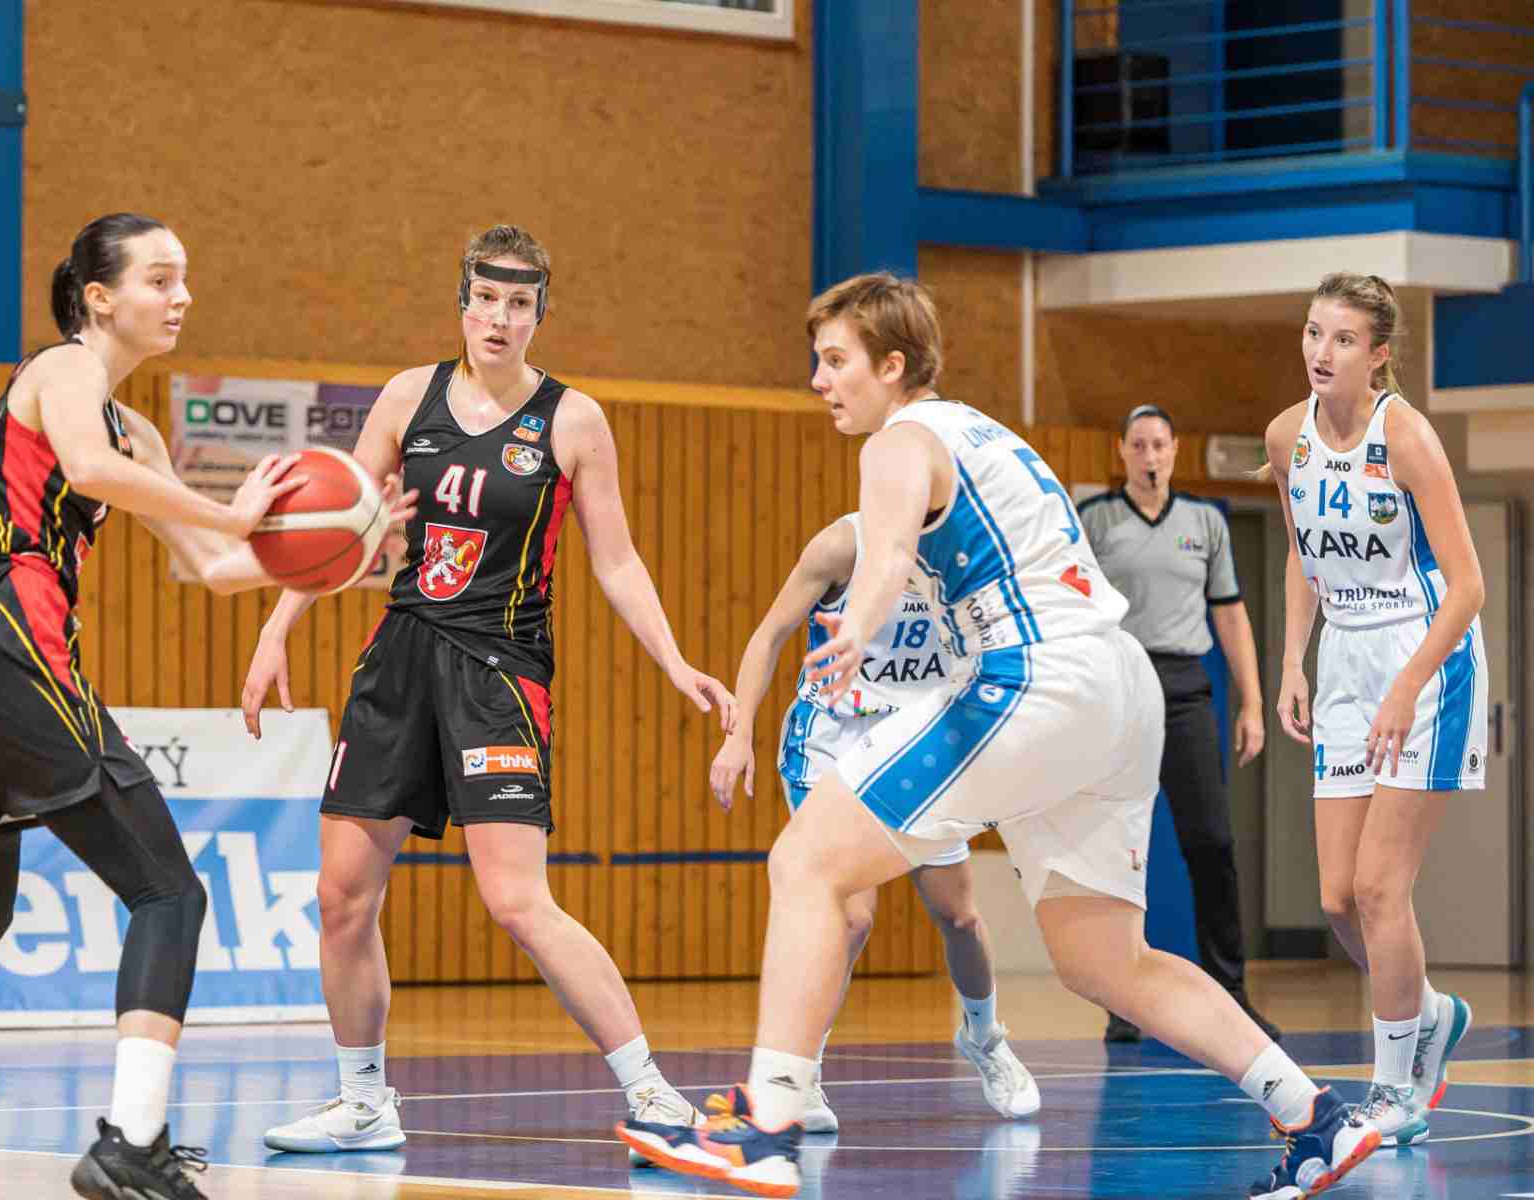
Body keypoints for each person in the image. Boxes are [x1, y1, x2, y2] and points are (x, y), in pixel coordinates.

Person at [615, 273, 1380, 1200]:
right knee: (1106, 961)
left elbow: (889, 554)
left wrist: (859, 626)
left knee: (806, 860)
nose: (818, 380)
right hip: (1121, 688)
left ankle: (767, 1125)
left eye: (835, 360)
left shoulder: (901, 440)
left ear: (892, 366)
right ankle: (1315, 1115)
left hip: (1038, 678)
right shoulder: (985, 430)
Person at [0, 213, 372, 1200]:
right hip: (5, 642)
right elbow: (88, 471)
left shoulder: (137, 431)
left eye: (185, 278)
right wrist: (231, 511)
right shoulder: (65, 368)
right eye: (159, 278)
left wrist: (339, 547)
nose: (181, 296)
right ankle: (132, 1143)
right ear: (99, 297)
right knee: (170, 893)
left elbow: (214, 566)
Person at [242, 225, 733, 1160]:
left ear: (540, 313)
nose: (499, 318)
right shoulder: (407, 396)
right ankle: (363, 1102)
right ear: (462, 302)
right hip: (399, 660)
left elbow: (617, 560)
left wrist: (674, 661)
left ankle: (655, 1093)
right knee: (341, 896)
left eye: (519, 303)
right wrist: (275, 631)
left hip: (499, 670)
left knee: (516, 900)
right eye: (486, 299)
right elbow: (340, 526)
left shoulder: (573, 420)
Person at [709, 512, 1039, 1129]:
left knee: (959, 916)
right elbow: (769, 635)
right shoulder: (842, 544)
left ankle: (984, 1037)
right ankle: (802, 1072)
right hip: (832, 739)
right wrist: (739, 734)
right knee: (850, 916)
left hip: (917, 743)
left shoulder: (969, 551)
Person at [1260, 272, 1482, 1148]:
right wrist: (1292, 659)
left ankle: (1396, 1092)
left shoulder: (1408, 438)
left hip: (1424, 658)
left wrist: (1405, 687)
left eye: (1344, 339)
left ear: (1379, 354)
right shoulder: (1287, 437)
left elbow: (1469, 586)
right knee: (1337, 899)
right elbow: (1302, 556)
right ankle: (1429, 1013)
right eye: (1314, 332)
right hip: (1344, 657)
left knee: (1381, 887)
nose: (1322, 351)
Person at [1076, 404, 1279, 1044]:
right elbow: (1071, 614)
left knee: (1211, 842)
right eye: (1138, 445)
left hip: (1187, 689)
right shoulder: (1093, 521)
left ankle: (1232, 994)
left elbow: (1231, 615)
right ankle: (1120, 1000)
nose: (1149, 456)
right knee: (1117, 850)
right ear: (1122, 452)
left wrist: (1252, 703)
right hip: (1118, 687)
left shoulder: (1204, 522)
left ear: (1175, 451)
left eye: (1159, 444)